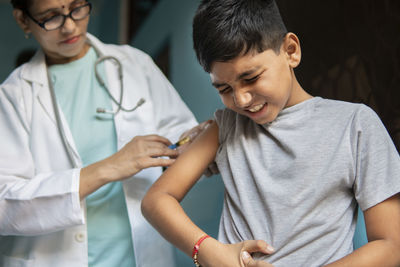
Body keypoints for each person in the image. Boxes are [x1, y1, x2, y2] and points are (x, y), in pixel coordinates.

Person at [141, 0, 400, 266]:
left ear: (290, 51)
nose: (241, 100)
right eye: (224, 89)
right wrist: (207, 251)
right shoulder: (226, 127)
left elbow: (391, 246)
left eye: (251, 78)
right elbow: (156, 200)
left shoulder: (355, 125)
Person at [0, 0, 211, 266]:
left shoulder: (135, 64)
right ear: (22, 20)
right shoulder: (12, 97)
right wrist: (110, 167)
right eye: (51, 17)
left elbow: (178, 137)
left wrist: (195, 144)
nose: (69, 26)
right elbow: (4, 205)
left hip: (140, 255)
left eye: (77, 8)